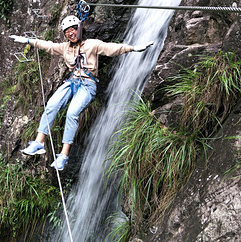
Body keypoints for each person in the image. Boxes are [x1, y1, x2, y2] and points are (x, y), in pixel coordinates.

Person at [10, 15, 153, 171]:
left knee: (72, 113)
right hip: (72, 82)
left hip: (87, 84)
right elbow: (48, 46)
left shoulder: (92, 45)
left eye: (72, 30)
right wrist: (29, 41)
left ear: (79, 29)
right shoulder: (65, 48)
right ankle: (39, 143)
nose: (70, 34)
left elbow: (111, 48)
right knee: (51, 105)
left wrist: (132, 48)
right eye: (67, 32)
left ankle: (63, 156)